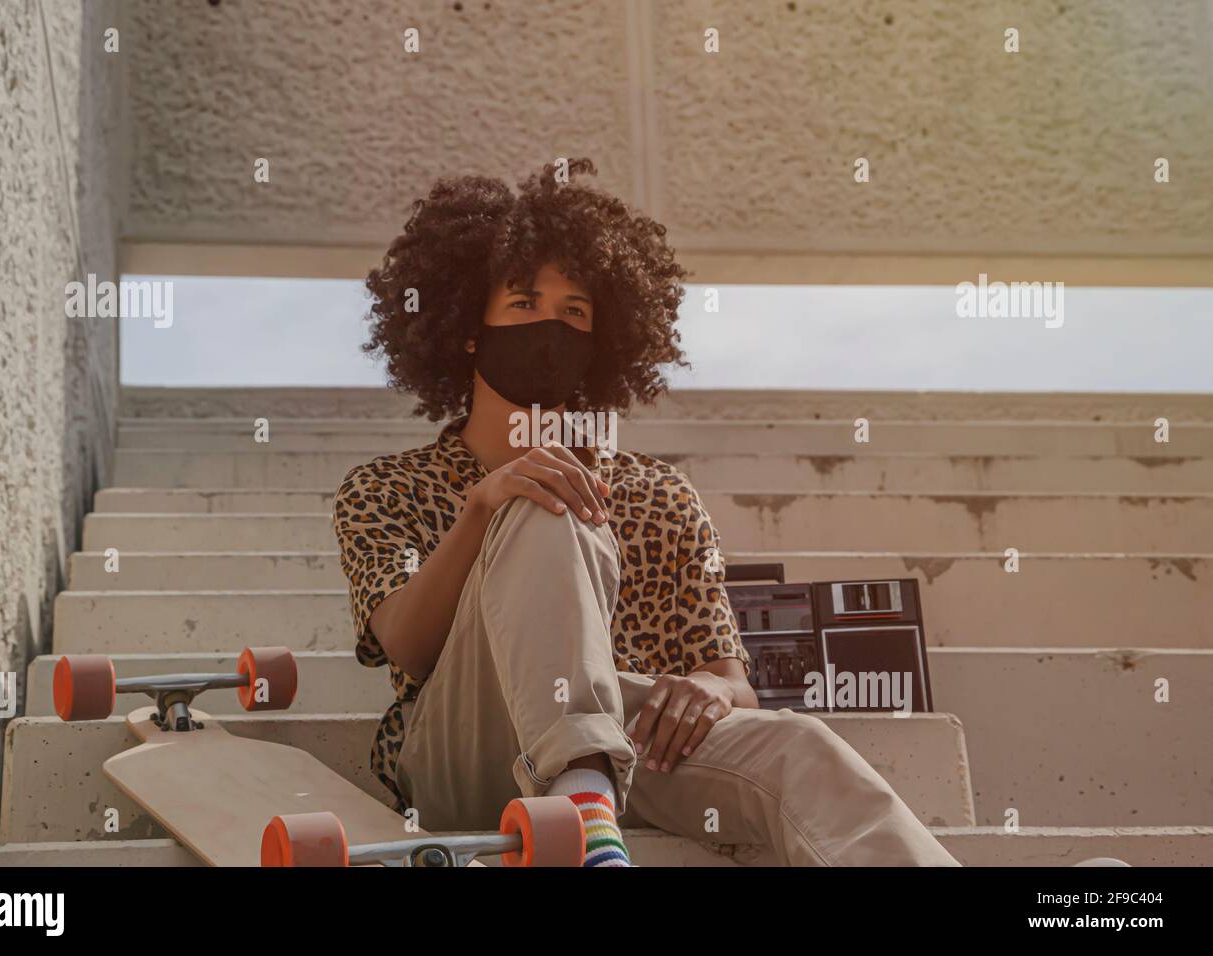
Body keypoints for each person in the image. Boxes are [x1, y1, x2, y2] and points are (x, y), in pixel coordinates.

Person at [333, 157, 959, 867]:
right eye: (523, 303)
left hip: (635, 750)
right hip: (466, 747)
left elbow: (731, 678)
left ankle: (587, 793)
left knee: (801, 746)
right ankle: (580, 791)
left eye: (575, 311)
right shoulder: (385, 487)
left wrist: (706, 689)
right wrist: (484, 507)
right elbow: (409, 650)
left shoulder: (661, 496)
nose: (550, 325)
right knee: (541, 501)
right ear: (468, 330)